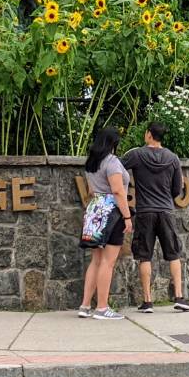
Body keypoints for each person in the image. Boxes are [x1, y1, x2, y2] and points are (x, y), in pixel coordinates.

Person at [122, 122, 189, 313]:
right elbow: (177, 189)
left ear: (148, 134)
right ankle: (179, 296)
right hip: (166, 210)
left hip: (145, 211)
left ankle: (147, 301)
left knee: (144, 256)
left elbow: (118, 169)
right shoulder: (172, 158)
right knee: (173, 253)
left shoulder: (136, 154)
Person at [77, 127, 134, 320]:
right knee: (108, 262)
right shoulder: (112, 162)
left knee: (96, 260)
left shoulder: (92, 162)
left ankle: (85, 305)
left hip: (95, 210)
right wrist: (127, 217)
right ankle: (102, 307)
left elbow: (93, 190)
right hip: (112, 213)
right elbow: (118, 191)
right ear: (113, 143)